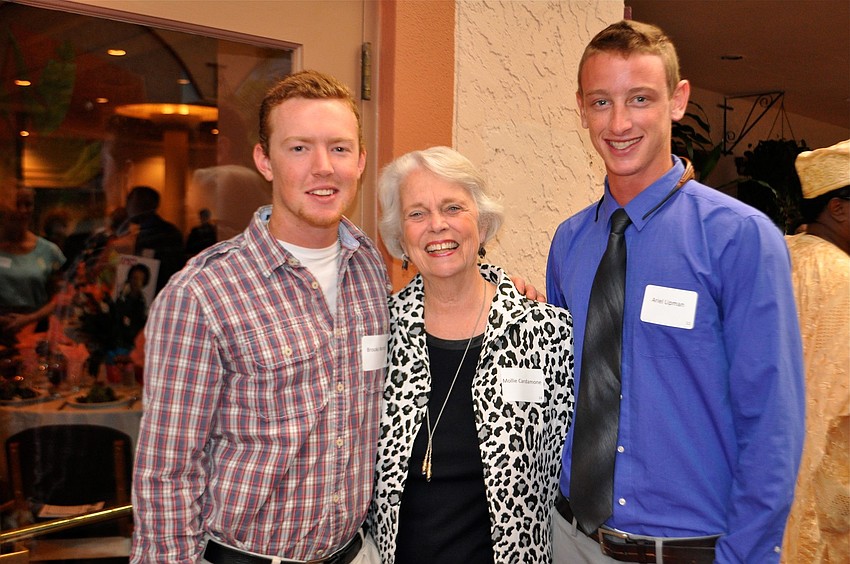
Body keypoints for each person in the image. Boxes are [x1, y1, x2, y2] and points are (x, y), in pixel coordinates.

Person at [546, 20, 805, 563]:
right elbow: (567, 386)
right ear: (581, 109)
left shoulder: (740, 239)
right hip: (571, 541)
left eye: (640, 99)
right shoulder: (569, 242)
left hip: (690, 550)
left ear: (678, 100)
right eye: (600, 102)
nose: (619, 123)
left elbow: (773, 426)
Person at [131, 70, 388, 564]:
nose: (323, 167)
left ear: (359, 161)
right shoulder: (202, 294)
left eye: (338, 148)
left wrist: (501, 291)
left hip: (356, 552)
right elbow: (166, 472)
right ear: (264, 161)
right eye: (299, 148)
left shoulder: (370, 269)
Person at [368, 146, 574, 563]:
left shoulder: (545, 332)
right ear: (400, 237)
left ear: (481, 223)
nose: (437, 225)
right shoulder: (378, 334)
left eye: (452, 207)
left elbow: (564, 467)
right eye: (417, 213)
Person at [781, 139, 850, 563]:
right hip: (825, 514)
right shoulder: (844, 276)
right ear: (837, 208)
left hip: (756, 495)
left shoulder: (774, 254)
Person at [0, 184, 66, 342]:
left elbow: (61, 297)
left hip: (36, 333)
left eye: (28, 204)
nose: (23, 210)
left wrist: (29, 319)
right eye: (17, 204)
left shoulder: (49, 251)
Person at [124, 185, 185, 294]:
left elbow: (170, 272)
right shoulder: (143, 231)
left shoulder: (164, 234)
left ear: (142, 205)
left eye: (130, 201)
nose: (127, 207)